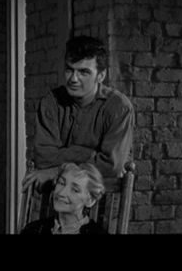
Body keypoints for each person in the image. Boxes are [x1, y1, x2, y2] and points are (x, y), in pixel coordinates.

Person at [22, 36, 134, 193]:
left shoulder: (119, 107)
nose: (73, 79)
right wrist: (87, 154)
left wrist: (55, 170)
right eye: (69, 70)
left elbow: (110, 166)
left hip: (101, 196)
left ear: (101, 76)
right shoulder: (51, 102)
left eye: (84, 72)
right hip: (55, 194)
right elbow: (44, 159)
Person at [21, 162, 107, 234]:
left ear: (90, 201)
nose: (61, 193)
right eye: (61, 183)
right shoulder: (33, 229)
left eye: (75, 190)